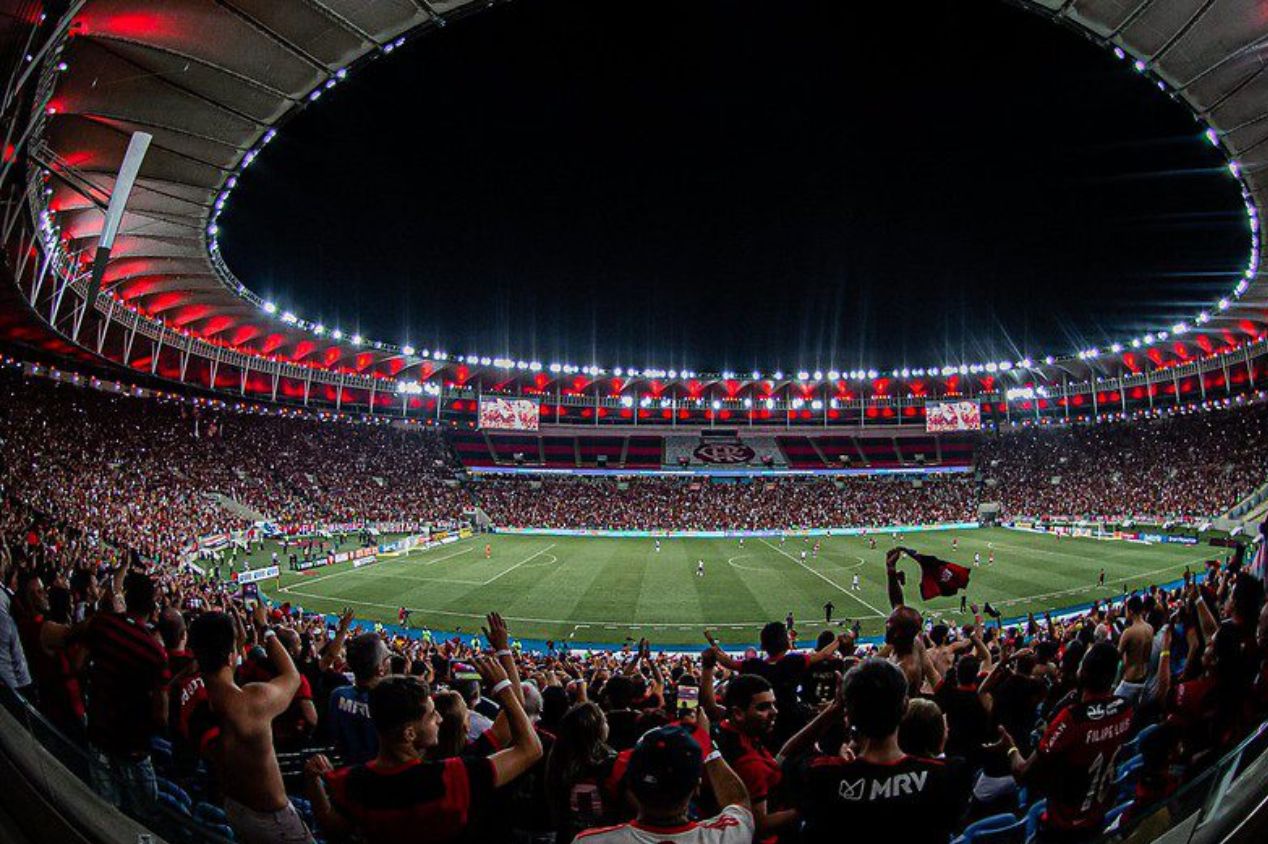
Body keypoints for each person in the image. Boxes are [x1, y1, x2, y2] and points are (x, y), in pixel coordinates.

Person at [305, 658, 543, 844]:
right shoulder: (451, 777)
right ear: (409, 734)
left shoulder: (352, 781)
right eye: (431, 715)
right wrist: (503, 687)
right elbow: (530, 749)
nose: (439, 718)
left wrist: (313, 783)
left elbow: (335, 828)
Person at [781, 659, 971, 843]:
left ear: (849, 714)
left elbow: (783, 759)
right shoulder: (944, 776)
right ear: (905, 706)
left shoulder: (824, 777)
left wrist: (833, 711)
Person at [189, 609, 312, 844]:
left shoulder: (194, 699)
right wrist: (266, 629)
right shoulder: (250, 702)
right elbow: (293, 677)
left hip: (234, 808)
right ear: (229, 657)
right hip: (272, 820)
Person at [995, 642, 1133, 841]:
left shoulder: (1071, 719)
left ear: (1083, 672)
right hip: (1097, 815)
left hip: (1064, 825)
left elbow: (1023, 773)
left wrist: (1010, 748)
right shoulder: (1125, 709)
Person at [79, 571, 170, 821]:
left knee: (106, 811)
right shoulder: (155, 652)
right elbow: (161, 716)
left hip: (98, 731)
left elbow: (79, 664)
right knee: (143, 813)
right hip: (133, 744)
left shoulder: (102, 623)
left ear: (127, 599)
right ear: (152, 606)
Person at [574, 720, 753, 843]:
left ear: (632, 785)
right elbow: (738, 802)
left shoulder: (589, 841)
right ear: (696, 788)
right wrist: (707, 744)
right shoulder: (727, 836)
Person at [715, 674, 797, 842]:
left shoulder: (728, 729)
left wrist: (829, 713)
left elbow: (780, 757)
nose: (775, 712)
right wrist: (810, 808)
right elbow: (758, 825)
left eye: (773, 704)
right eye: (764, 707)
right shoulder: (750, 764)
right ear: (738, 713)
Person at [328, 632, 391, 764]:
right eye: (388, 657)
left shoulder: (337, 695)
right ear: (380, 669)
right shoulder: (389, 703)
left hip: (344, 771)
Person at [1115, 595, 1153, 706]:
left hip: (1130, 680)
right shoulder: (1149, 628)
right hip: (1144, 678)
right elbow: (1147, 656)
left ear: (1130, 611)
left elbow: (1117, 656)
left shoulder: (1129, 632)